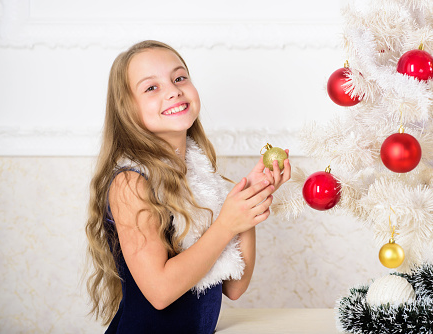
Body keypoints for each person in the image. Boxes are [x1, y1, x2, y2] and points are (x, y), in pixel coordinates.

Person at [85, 40, 291, 333]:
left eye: (179, 77)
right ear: (127, 108)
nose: (173, 90)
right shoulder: (131, 182)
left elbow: (235, 286)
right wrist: (226, 224)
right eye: (151, 87)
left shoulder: (202, 177)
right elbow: (159, 292)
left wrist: (248, 205)